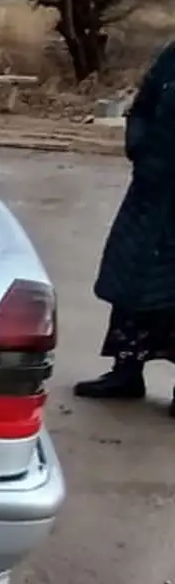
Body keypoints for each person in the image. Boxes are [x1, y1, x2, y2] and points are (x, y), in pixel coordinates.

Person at [76, 41, 175, 412]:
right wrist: (140, 146)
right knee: (134, 279)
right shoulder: (172, 56)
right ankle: (126, 370)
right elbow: (143, 108)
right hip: (152, 190)